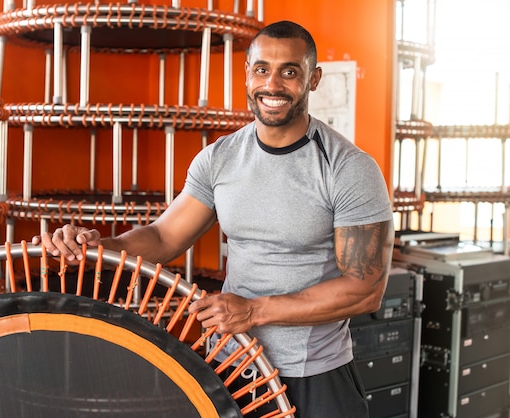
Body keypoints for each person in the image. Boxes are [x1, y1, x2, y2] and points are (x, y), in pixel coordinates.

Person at [33, 20, 394, 418]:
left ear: (313, 79)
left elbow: (364, 288)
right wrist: (100, 247)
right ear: (247, 74)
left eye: (289, 71)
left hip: (314, 376)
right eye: (262, 69)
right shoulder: (220, 158)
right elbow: (164, 237)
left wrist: (254, 311)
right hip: (232, 364)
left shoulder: (348, 168)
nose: (272, 84)